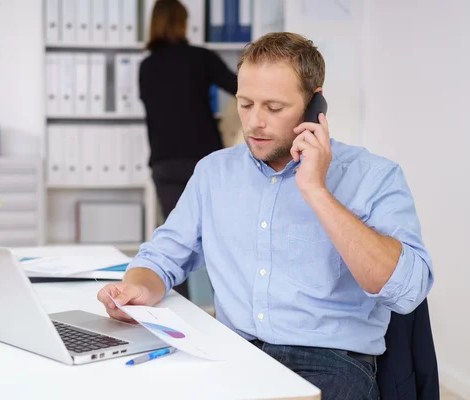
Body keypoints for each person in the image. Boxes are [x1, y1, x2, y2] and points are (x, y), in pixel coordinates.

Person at [99, 32, 434, 400]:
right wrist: (138, 289)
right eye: (245, 104)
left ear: (314, 104)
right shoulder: (214, 173)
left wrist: (316, 191)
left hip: (330, 364)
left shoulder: (373, 175)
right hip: (233, 353)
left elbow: (408, 292)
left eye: (274, 108)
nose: (255, 122)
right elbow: (161, 258)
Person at [138, 0, 238, 300]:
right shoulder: (201, 58)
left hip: (165, 161)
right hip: (204, 159)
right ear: (183, 23)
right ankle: (230, 312)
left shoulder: (147, 66)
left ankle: (183, 314)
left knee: (173, 246)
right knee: (219, 240)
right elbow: (243, 88)